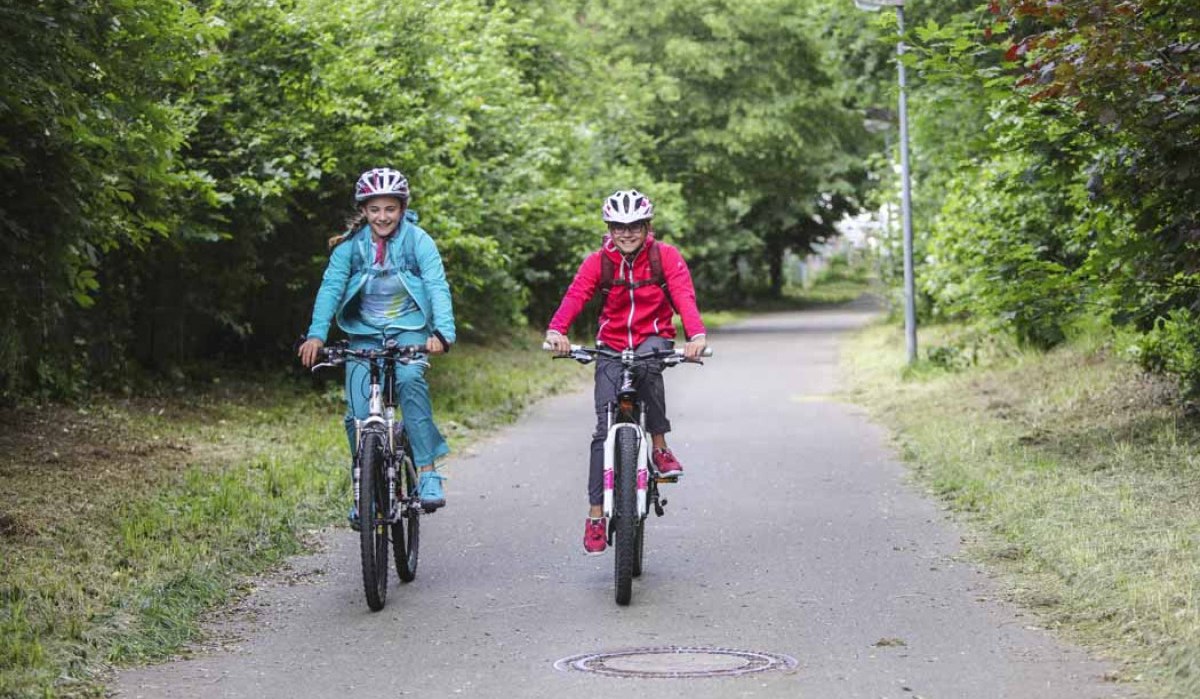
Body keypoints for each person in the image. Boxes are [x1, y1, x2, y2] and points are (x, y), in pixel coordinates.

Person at [545, 189, 707, 555]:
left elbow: (684, 296)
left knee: (651, 369)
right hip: (611, 344)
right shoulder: (598, 262)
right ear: (610, 228)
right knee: (603, 431)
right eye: (619, 227)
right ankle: (595, 516)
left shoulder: (665, 257)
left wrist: (695, 335)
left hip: (653, 337)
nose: (627, 233)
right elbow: (576, 296)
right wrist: (558, 331)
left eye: (634, 226)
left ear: (647, 226)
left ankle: (661, 448)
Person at [298, 167, 455, 519]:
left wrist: (442, 333)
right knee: (356, 414)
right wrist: (316, 334)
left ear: (401, 208)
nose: (382, 217)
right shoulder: (350, 249)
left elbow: (436, 286)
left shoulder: (418, 241)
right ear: (364, 211)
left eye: (390, 209)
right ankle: (362, 494)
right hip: (364, 334)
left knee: (411, 381)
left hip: (410, 330)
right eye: (374, 209)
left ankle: (428, 473)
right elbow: (330, 288)